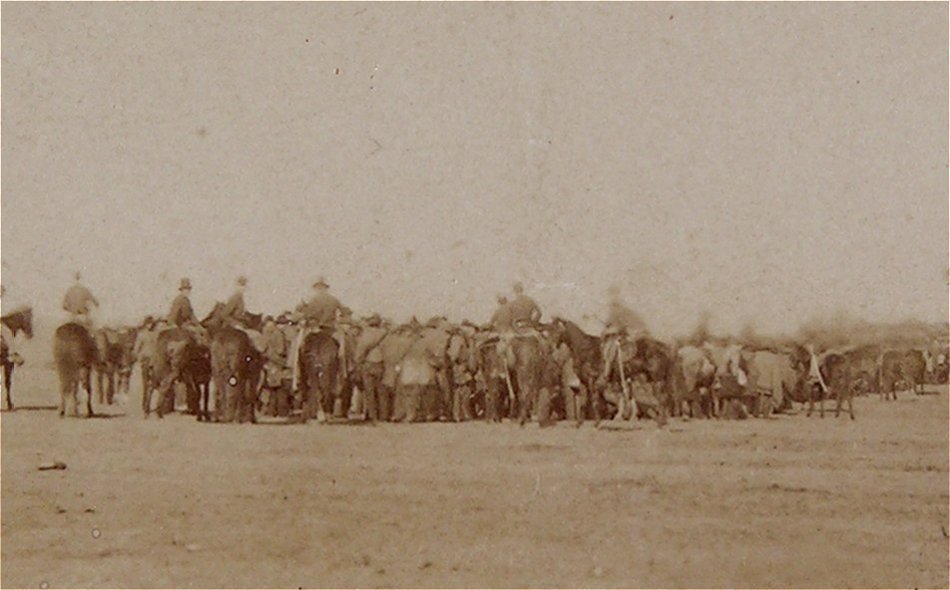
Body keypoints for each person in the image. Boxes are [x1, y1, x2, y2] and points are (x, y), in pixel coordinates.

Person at [290, 277, 348, 396]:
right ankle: (343, 375)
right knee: (342, 353)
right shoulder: (334, 300)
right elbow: (346, 314)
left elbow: (295, 315)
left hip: (312, 329)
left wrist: (303, 317)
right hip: (331, 331)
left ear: (316, 287)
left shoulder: (308, 299)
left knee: (297, 349)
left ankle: (297, 377)